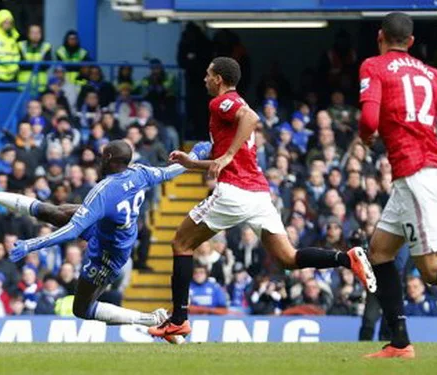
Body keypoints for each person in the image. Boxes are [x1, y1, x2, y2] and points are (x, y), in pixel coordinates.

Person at [148, 57, 375, 339]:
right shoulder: (229, 111)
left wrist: (228, 154)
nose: (204, 79)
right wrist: (193, 164)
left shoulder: (222, 102)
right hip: (258, 193)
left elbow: (251, 118)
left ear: (218, 78)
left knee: (181, 243)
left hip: (234, 191)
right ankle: (345, 258)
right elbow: (232, 157)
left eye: (208, 75)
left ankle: (179, 319)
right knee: (289, 258)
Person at [0, 140, 212, 341]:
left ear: (108, 159)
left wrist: (31, 244)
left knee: (82, 308)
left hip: (108, 253)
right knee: (52, 210)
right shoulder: (138, 172)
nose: (98, 157)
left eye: (102, 154)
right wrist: (197, 153)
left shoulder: (104, 191)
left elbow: (71, 232)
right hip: (109, 231)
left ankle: (152, 319)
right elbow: (170, 172)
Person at [358, 12, 437, 358]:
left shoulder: (373, 66)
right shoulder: (432, 74)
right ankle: (400, 342)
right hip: (422, 169)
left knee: (431, 272)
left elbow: (369, 119)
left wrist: (366, 137)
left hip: (414, 171)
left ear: (380, 36)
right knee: (380, 251)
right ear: (411, 40)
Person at [18, 24, 51, 92]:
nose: (35, 35)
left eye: (38, 32)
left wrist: (28, 64)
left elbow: (47, 65)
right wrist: (38, 64)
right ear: (28, 34)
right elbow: (21, 64)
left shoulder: (46, 46)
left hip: (41, 85)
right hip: (24, 85)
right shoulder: (20, 45)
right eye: (33, 32)